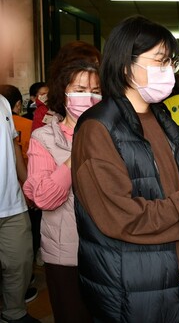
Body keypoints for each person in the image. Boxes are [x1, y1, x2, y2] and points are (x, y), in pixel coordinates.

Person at [71, 15, 179, 323]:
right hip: (133, 284)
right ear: (125, 66)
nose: (169, 72)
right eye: (160, 62)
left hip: (177, 268)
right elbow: (121, 216)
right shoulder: (98, 128)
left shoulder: (162, 118)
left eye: (171, 64)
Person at [23, 43, 101, 323]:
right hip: (66, 255)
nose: (88, 97)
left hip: (107, 250)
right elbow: (43, 197)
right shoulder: (44, 139)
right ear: (63, 92)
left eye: (95, 91)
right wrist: (77, 153)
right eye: (80, 90)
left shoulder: (109, 134)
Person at [0, 94, 40, 323]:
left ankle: (14, 313)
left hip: (12, 204)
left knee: (21, 262)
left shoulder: (3, 102)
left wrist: (27, 186)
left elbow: (14, 146)